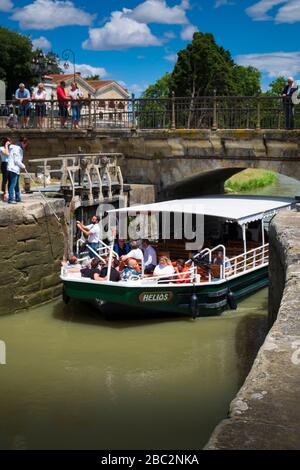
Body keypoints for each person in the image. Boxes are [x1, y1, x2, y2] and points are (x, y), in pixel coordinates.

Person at [7, 137, 29, 204]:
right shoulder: (16, 149)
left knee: (16, 184)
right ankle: (10, 199)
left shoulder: (18, 148)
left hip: (16, 169)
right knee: (13, 184)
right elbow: (16, 160)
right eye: (26, 144)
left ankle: (18, 198)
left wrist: (21, 166)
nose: (25, 146)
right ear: (23, 142)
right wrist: (23, 166)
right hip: (13, 168)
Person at [0, 137, 11, 201]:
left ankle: (10, 194)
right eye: (8, 142)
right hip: (4, 164)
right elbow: (6, 154)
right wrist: (6, 145)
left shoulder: (9, 148)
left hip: (10, 164)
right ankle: (3, 194)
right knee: (5, 179)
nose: (10, 143)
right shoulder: (1, 148)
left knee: (10, 179)